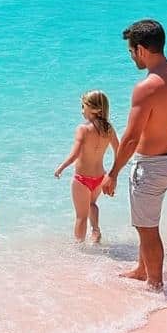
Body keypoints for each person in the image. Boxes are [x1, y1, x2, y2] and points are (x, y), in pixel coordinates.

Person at [102, 20, 167, 290]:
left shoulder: (146, 87)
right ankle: (142, 269)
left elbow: (131, 138)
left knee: (147, 228)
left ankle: (155, 285)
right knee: (147, 220)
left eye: (131, 52)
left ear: (141, 50)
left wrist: (112, 173)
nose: (131, 57)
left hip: (151, 167)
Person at [54, 90, 120, 243]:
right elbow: (119, 150)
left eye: (83, 106)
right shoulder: (108, 129)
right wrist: (113, 173)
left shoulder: (83, 129)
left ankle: (79, 249)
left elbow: (74, 154)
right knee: (92, 204)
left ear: (95, 109)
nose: (82, 110)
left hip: (82, 179)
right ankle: (96, 231)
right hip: (100, 177)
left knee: (81, 216)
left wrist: (61, 167)